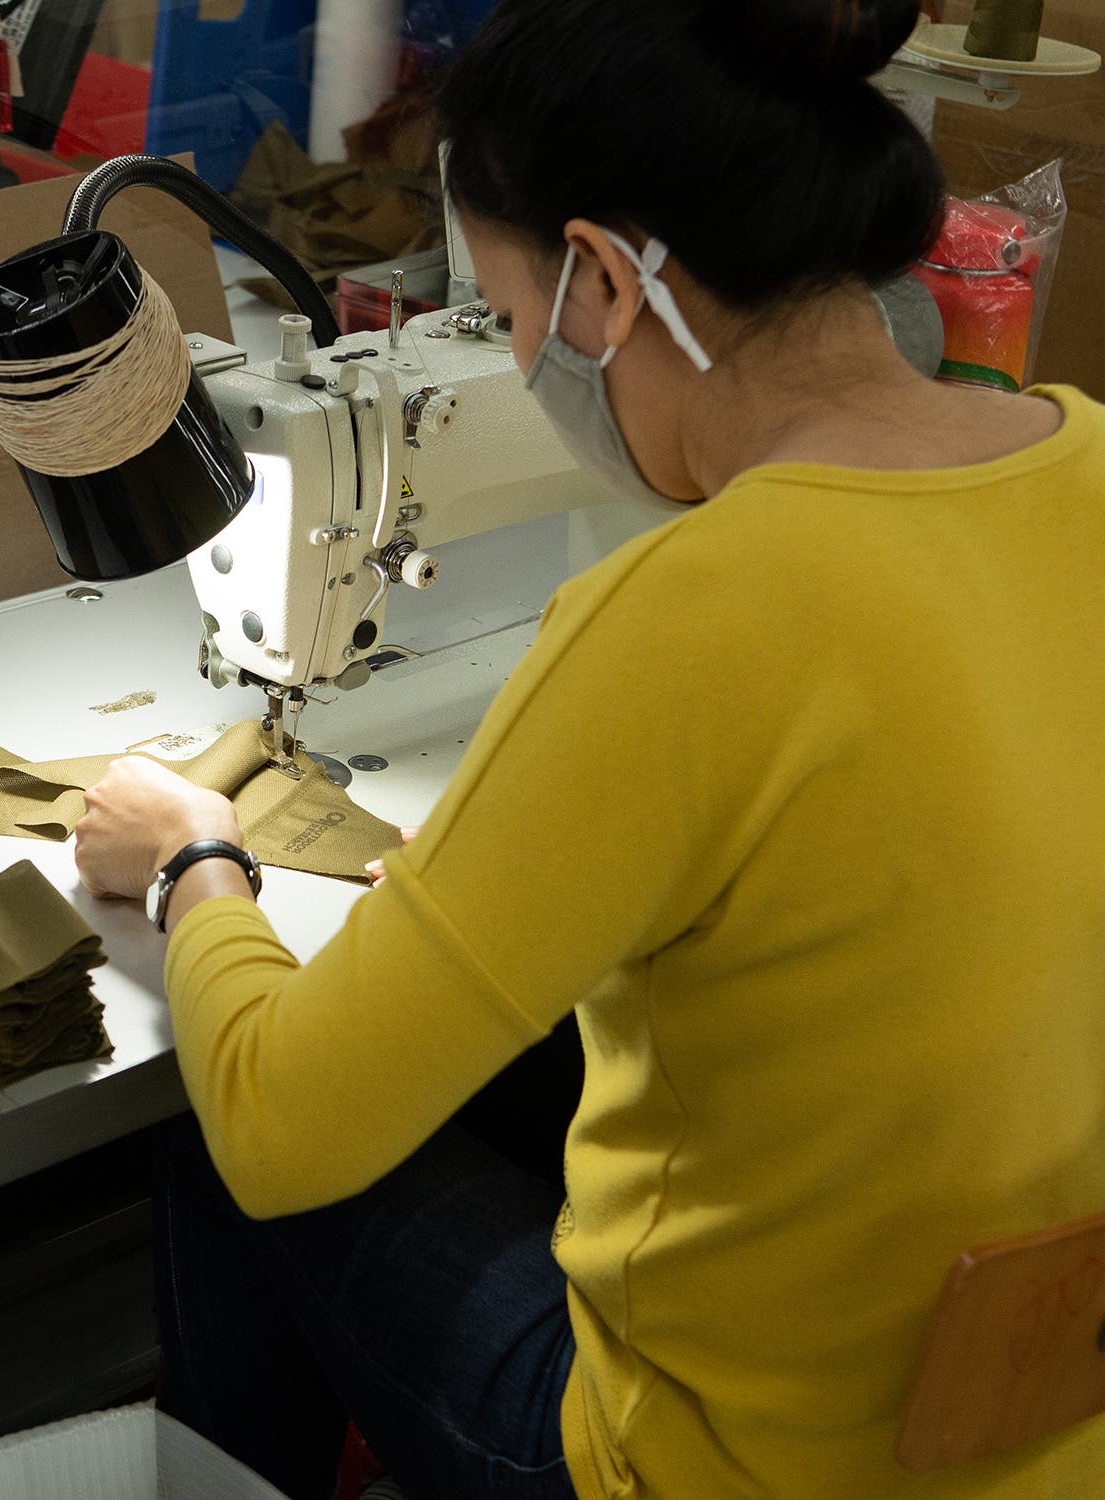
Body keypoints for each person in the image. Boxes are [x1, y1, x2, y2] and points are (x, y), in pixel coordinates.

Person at [71, 1, 1105, 1496]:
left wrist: (196, 866)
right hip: (1052, 1432)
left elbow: (286, 1123)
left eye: (504, 317)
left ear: (610, 284)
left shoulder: (682, 619)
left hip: (719, 1471)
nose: (516, 355)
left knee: (217, 1131)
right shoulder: (1081, 462)